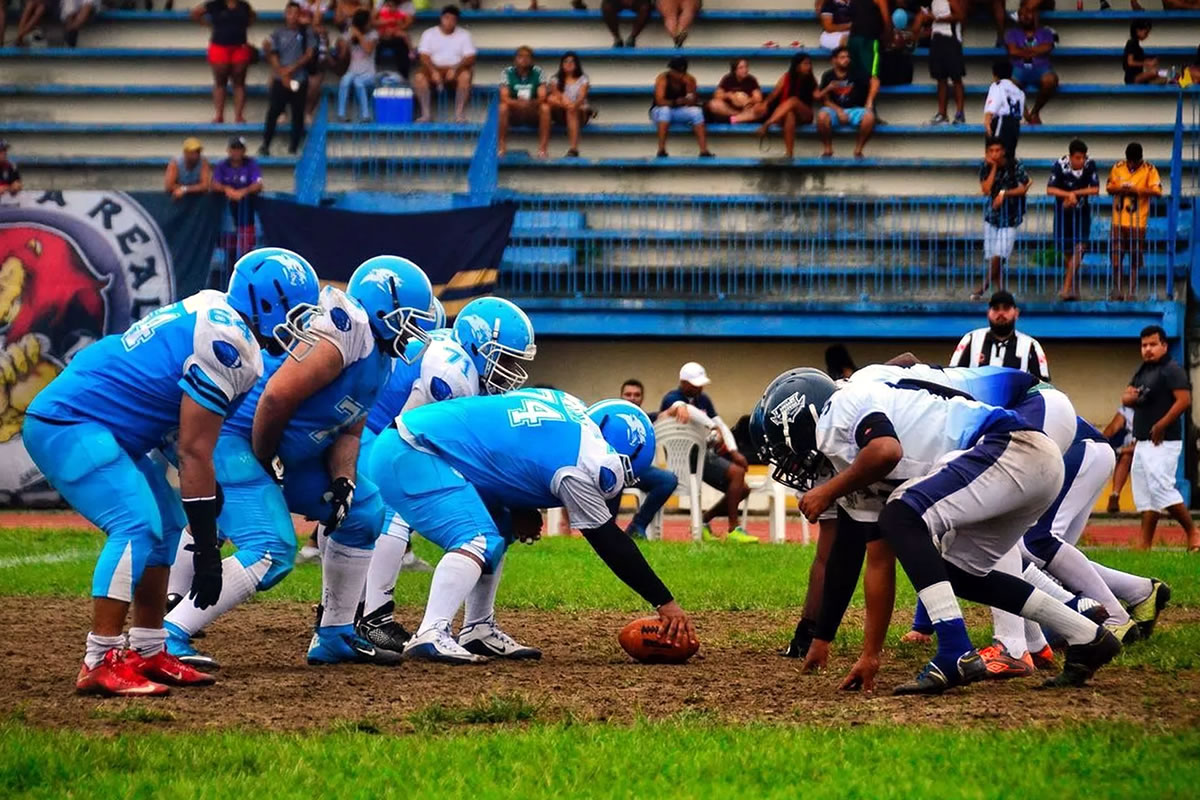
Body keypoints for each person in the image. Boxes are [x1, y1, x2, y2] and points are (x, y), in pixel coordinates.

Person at [21, 249, 306, 696]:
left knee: (168, 524)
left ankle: (149, 648)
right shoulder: (227, 344)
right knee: (136, 524)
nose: (299, 325)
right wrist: (209, 548)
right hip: (72, 421)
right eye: (294, 312)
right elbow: (193, 450)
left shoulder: (220, 314)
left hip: (110, 429)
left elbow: (179, 435)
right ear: (265, 304)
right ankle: (100, 658)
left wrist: (206, 507)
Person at [753, 367, 1122, 694]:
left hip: (1016, 447)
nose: (791, 465)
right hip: (1023, 462)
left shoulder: (843, 406)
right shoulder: (852, 465)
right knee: (960, 573)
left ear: (800, 420)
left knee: (902, 515)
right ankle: (1085, 635)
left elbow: (885, 451)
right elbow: (877, 565)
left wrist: (827, 491)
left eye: (785, 450)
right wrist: (866, 655)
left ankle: (955, 650)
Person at [164, 256, 436, 669]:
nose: (412, 330)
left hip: (287, 450)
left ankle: (335, 633)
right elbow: (276, 397)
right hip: (236, 437)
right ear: (383, 308)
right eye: (407, 318)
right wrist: (266, 456)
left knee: (363, 510)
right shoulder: (346, 332)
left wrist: (343, 479)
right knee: (270, 548)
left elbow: (349, 428)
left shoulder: (381, 357)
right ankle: (169, 633)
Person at [367, 390, 696, 663]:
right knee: (477, 538)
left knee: (499, 527)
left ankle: (478, 629)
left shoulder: (569, 407)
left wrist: (521, 504)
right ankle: (432, 632)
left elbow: (512, 441)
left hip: (420, 444)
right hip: (414, 450)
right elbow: (609, 540)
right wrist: (665, 603)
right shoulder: (582, 461)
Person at [353, 297, 536, 659]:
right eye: (505, 358)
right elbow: (415, 444)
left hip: (404, 438)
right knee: (397, 504)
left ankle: (478, 626)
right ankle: (372, 618)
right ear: (477, 345)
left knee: (493, 513)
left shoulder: (466, 366)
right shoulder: (452, 373)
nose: (511, 370)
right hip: (373, 433)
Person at [1123, 325, 1200, 552]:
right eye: (1144, 345)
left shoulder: (1171, 369)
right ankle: (1145, 543)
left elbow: (1184, 400)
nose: (1148, 349)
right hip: (1143, 441)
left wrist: (1161, 424)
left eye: (1153, 344)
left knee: (1161, 487)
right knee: (1146, 493)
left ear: (1164, 345)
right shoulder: (1143, 370)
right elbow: (1126, 396)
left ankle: (1193, 532)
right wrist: (1131, 397)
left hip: (1163, 440)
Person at [659, 362, 753, 543]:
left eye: (701, 384)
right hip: (684, 457)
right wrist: (711, 425)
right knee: (738, 473)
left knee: (743, 489)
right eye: (695, 384)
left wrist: (734, 452)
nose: (699, 388)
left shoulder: (704, 399)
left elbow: (722, 425)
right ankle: (734, 529)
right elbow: (684, 408)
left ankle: (702, 521)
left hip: (704, 454)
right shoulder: (673, 397)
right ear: (683, 382)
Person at [614, 379, 679, 540]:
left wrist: (680, 405)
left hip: (638, 471)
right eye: (628, 394)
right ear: (621, 397)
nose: (632, 398)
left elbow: (668, 412)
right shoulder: (611, 419)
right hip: (613, 471)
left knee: (668, 480)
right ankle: (608, 533)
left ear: (642, 398)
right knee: (611, 480)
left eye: (636, 395)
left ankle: (637, 526)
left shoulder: (647, 419)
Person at [972, 138, 1030, 299]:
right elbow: (985, 189)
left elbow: (1024, 186)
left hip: (1011, 216)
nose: (994, 154)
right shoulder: (985, 166)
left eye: (997, 150)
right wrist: (994, 167)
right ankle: (1001, 292)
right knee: (993, 257)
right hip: (992, 216)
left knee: (999, 254)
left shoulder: (1014, 165)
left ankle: (983, 286)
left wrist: (1004, 194)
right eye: (991, 151)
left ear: (1003, 151)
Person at [1107, 142, 1162, 301]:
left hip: (1138, 222)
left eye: (1134, 161)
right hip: (1118, 220)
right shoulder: (1118, 167)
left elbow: (1157, 191)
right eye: (1129, 161)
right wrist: (1121, 189)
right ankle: (1117, 290)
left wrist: (1137, 190)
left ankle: (1131, 292)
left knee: (1135, 257)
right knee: (1116, 258)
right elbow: (1109, 187)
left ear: (1140, 159)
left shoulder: (1149, 170)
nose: (1131, 164)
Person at [950, 290, 1048, 380]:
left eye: (1006, 308)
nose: (1001, 313)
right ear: (988, 313)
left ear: (1016, 313)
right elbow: (953, 377)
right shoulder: (971, 340)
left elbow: (1043, 387)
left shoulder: (1030, 345)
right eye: (996, 308)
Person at [1046, 138, 1099, 301]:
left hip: (1082, 211)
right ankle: (1074, 289)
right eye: (1077, 158)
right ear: (1070, 157)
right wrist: (1067, 195)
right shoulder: (1060, 165)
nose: (1081, 161)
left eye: (1083, 157)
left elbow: (1095, 189)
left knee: (1080, 247)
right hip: (1064, 212)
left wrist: (1075, 194)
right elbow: (1050, 189)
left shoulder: (1090, 164)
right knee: (1068, 251)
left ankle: (1066, 287)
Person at [261, 2, 314, 156]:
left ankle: (294, 146)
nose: (292, 16)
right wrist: (282, 72)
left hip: (298, 79)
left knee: (297, 113)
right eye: (289, 12)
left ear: (300, 15)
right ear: (285, 14)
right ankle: (266, 144)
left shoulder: (306, 33)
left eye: (295, 13)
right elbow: (271, 52)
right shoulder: (278, 33)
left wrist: (290, 70)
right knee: (273, 111)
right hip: (280, 78)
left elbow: (309, 55)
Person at [194, 0, 256, 124]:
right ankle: (219, 115)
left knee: (239, 81)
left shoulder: (244, 5)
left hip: (239, 46)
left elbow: (253, 16)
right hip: (219, 46)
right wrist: (208, 25)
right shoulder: (214, 4)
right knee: (220, 80)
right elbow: (195, 13)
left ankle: (239, 116)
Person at [413, 5, 476, 123]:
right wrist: (433, 71)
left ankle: (459, 115)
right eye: (446, 18)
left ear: (456, 21)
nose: (449, 21)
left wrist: (456, 69)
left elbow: (470, 57)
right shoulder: (429, 33)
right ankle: (425, 114)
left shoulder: (464, 35)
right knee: (419, 77)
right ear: (441, 18)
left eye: (453, 19)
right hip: (434, 68)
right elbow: (423, 56)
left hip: (455, 69)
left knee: (465, 76)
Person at [816, 45, 878, 159]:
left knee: (869, 117)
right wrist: (839, 111)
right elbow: (826, 100)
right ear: (834, 60)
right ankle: (828, 149)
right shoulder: (828, 75)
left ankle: (858, 150)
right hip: (834, 109)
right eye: (842, 57)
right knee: (821, 116)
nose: (846, 60)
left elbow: (875, 81)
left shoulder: (857, 72)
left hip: (855, 109)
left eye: (848, 57)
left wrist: (869, 101)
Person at [212, 136, 263, 267]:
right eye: (233, 148)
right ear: (228, 150)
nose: (236, 152)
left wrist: (243, 192)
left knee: (246, 245)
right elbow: (214, 184)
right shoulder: (222, 165)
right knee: (229, 245)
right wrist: (227, 189)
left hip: (247, 211)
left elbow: (258, 184)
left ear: (244, 150)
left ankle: (246, 267)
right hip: (227, 210)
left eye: (239, 149)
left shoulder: (251, 164)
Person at [755, 52, 818, 159]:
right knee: (790, 114)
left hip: (805, 114)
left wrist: (827, 90)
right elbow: (774, 94)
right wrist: (764, 104)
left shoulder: (811, 79)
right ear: (797, 66)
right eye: (806, 64)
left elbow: (818, 96)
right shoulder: (786, 77)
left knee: (793, 100)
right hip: (785, 115)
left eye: (810, 64)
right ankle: (789, 153)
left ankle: (767, 124)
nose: (809, 67)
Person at [650, 57, 714, 159]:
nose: (672, 73)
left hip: (678, 110)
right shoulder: (663, 79)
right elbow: (659, 101)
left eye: (675, 71)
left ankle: (704, 150)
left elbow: (693, 100)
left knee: (696, 112)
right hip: (659, 110)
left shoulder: (690, 79)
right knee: (665, 111)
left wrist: (689, 90)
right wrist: (675, 102)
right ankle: (661, 149)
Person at [1004, 5, 1057, 125]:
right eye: (1021, 15)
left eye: (1028, 13)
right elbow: (1012, 51)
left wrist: (1022, 51)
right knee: (1007, 85)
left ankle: (1034, 112)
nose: (1025, 17)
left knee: (1050, 80)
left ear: (1035, 15)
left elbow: (1047, 48)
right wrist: (1035, 51)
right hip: (1019, 70)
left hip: (1041, 69)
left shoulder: (1046, 32)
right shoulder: (1012, 33)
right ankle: (1026, 114)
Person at [497, 46, 550, 159]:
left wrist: (530, 103)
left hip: (532, 110)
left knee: (545, 108)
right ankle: (501, 147)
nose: (524, 59)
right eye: (520, 56)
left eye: (527, 57)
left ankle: (543, 149)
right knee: (502, 107)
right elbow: (504, 97)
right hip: (514, 112)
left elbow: (543, 96)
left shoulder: (538, 72)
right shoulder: (507, 72)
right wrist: (518, 103)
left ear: (532, 60)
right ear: (515, 59)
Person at [922, 0, 965, 125]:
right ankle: (942, 114)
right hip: (936, 39)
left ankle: (960, 114)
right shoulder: (933, 2)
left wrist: (937, 18)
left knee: (956, 78)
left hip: (950, 39)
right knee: (940, 79)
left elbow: (960, 15)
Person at [546, 51, 592, 158]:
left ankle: (573, 149)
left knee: (572, 110)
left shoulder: (583, 79)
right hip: (561, 112)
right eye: (566, 61)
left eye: (572, 61)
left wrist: (574, 105)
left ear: (577, 64)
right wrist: (567, 103)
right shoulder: (555, 79)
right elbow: (556, 94)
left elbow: (581, 97)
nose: (569, 64)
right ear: (561, 65)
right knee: (551, 99)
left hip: (579, 113)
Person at [337, 9, 378, 122]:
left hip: (369, 73)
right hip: (352, 71)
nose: (371, 23)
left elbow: (368, 49)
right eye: (369, 21)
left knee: (358, 82)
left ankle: (365, 115)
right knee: (345, 80)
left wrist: (358, 34)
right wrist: (346, 41)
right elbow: (342, 54)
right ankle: (341, 114)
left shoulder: (373, 34)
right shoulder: (350, 34)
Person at [705, 58, 766, 125]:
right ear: (735, 70)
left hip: (747, 108)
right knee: (713, 104)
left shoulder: (751, 80)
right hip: (731, 109)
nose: (745, 70)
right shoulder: (728, 78)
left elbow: (758, 98)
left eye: (746, 67)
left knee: (761, 108)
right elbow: (717, 95)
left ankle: (733, 119)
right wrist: (729, 95)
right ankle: (740, 117)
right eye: (741, 68)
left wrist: (747, 100)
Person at [983, 60, 1023, 159]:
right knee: (1009, 154)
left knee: (995, 153)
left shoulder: (997, 86)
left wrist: (987, 124)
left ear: (995, 75)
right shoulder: (1018, 90)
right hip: (1015, 124)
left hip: (1002, 121)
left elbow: (993, 106)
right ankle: (1009, 173)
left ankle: (994, 173)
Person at [304, 12, 336, 125]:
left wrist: (328, 58)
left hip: (320, 64)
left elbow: (326, 49)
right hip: (306, 64)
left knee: (315, 88)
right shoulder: (305, 31)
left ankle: (308, 112)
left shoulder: (324, 33)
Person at [1102, 405, 1135, 513]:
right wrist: (1101, 443)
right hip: (1127, 450)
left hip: (1147, 447)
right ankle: (1115, 496)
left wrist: (1119, 450)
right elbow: (1112, 429)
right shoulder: (1127, 409)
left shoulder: (1153, 409)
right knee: (1125, 458)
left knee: (1126, 454)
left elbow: (1144, 442)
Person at [846, 0, 892, 78]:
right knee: (872, 76)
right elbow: (886, 20)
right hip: (869, 41)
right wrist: (888, 38)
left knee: (857, 76)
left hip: (853, 39)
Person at [373, 0, 415, 80]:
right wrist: (385, 26)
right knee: (374, 42)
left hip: (396, 35)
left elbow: (408, 23)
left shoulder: (408, 4)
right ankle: (373, 75)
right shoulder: (381, 3)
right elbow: (372, 21)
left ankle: (403, 77)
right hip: (382, 34)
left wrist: (394, 30)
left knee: (402, 44)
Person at [1123, 21, 1167, 86]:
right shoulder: (1131, 43)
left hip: (1140, 75)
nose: (1147, 35)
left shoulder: (1138, 47)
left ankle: (1148, 84)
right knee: (1154, 72)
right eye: (1146, 33)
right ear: (1138, 31)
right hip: (1132, 78)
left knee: (1163, 74)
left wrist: (1151, 62)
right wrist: (1147, 63)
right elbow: (1130, 62)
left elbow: (1140, 60)